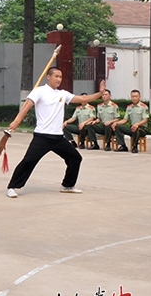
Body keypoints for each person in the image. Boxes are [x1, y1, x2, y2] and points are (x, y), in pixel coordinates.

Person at [6, 68, 105, 198]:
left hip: (58, 138)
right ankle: (12, 187)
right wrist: (16, 122)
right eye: (56, 76)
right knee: (28, 161)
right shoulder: (39, 91)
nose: (59, 79)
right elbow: (26, 107)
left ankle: (67, 185)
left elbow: (83, 98)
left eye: (61, 76)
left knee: (75, 158)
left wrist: (100, 93)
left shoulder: (63, 94)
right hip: (42, 136)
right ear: (48, 77)